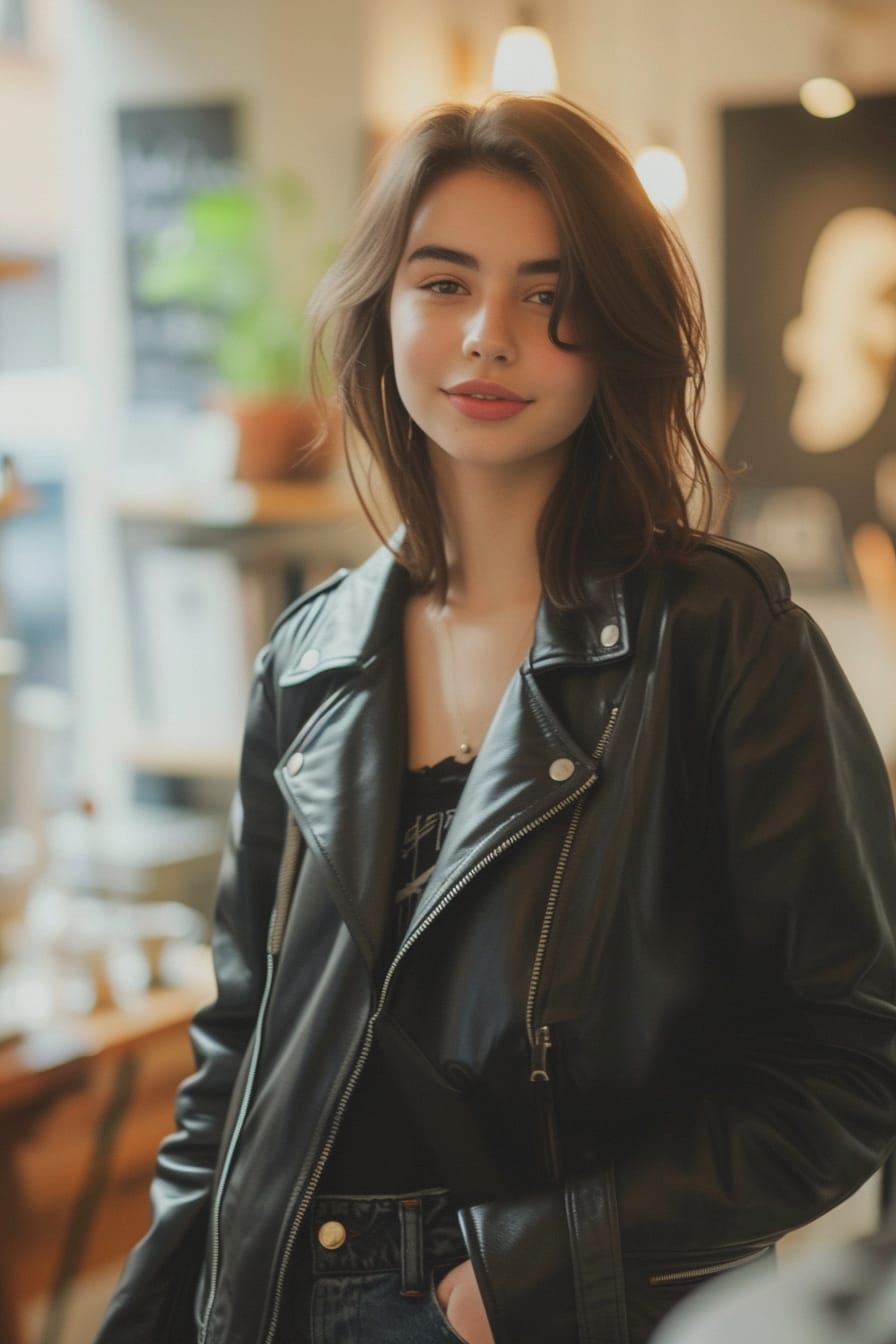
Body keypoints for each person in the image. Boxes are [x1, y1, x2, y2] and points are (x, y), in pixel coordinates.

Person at [95, 94, 896, 1344]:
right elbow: (239, 1056)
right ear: (385, 308)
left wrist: (555, 1259)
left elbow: (853, 1054)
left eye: (545, 293)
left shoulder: (720, 639)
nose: (486, 338)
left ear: (613, 331)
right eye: (444, 282)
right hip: (282, 1302)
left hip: (545, 1310)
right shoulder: (304, 661)